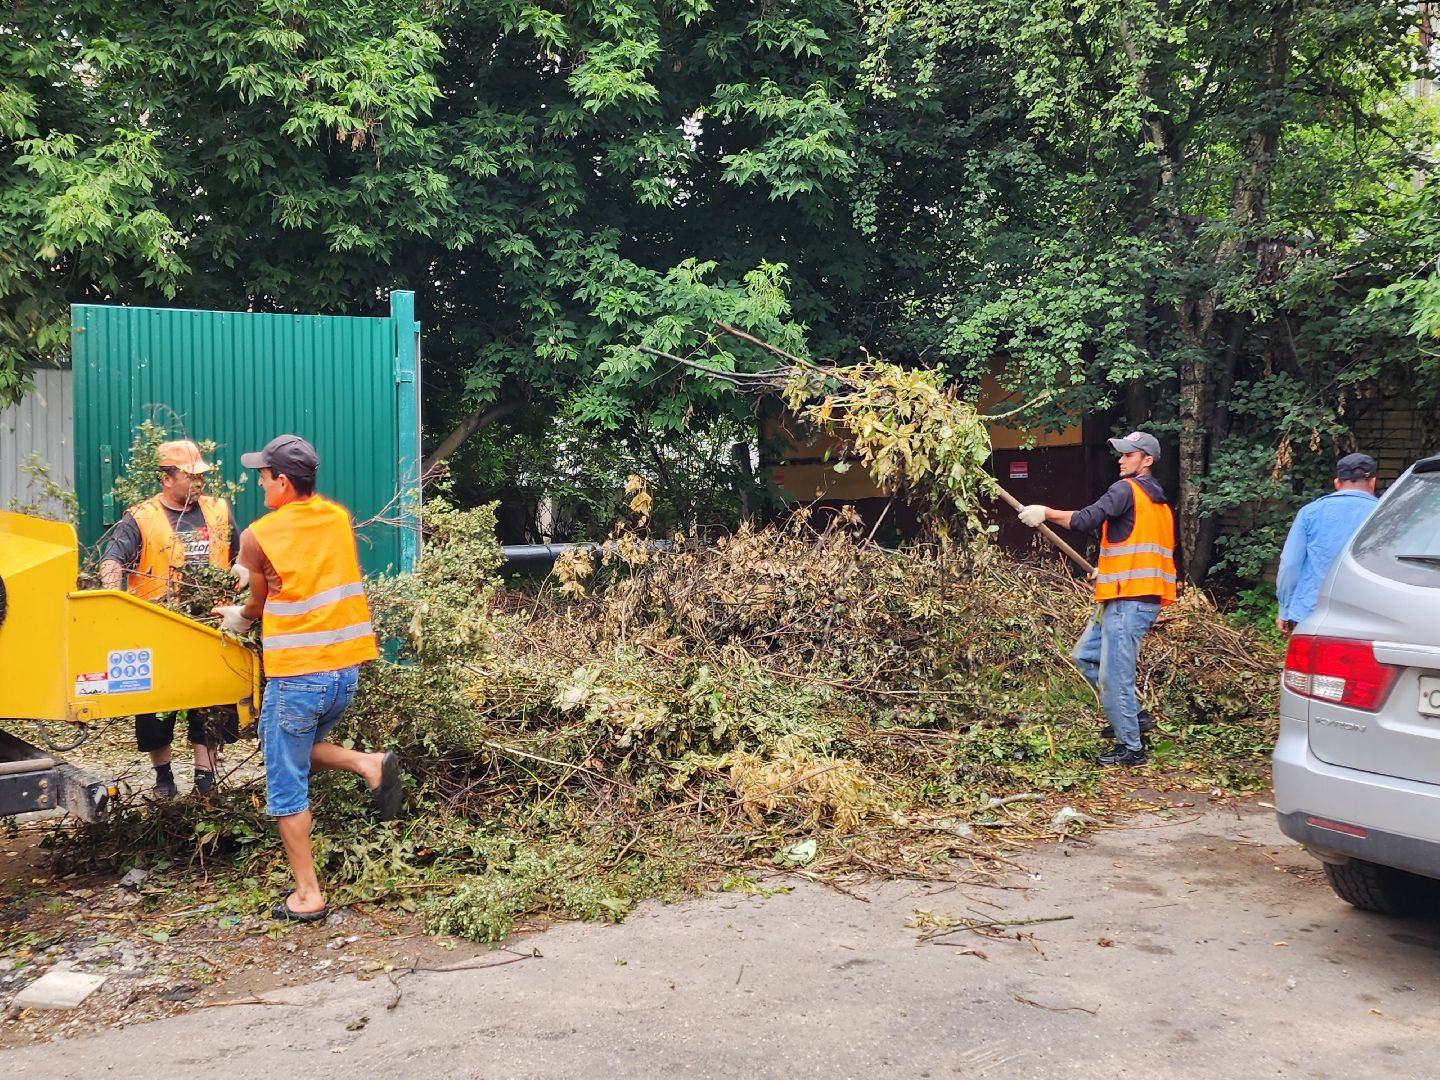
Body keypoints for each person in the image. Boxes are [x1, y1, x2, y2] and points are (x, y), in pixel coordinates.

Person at [214, 434, 402, 923]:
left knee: (284, 783)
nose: (259, 484)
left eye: (263, 476)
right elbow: (304, 571)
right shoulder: (336, 518)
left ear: (282, 480)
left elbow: (254, 606)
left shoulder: (259, 535)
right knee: (284, 748)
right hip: (345, 673)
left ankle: (308, 894)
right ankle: (369, 764)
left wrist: (238, 615)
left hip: (299, 676)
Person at [1017, 431, 1177, 767]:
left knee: (1115, 676)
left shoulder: (1128, 490)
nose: (1121, 460)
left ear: (1146, 460)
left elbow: (1085, 519)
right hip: (1126, 595)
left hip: (1129, 601)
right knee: (1086, 656)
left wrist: (1045, 511)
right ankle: (1134, 716)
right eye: (1121, 454)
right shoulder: (1157, 501)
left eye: (1129, 455)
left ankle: (1132, 750)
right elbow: (1135, 548)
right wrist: (1105, 569)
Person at [99, 439, 243, 798]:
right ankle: (163, 778)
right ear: (167, 477)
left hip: (211, 627)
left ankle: (205, 779)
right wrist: (111, 597)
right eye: (190, 476)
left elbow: (241, 557)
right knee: (155, 709)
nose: (199, 483)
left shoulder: (218, 511)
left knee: (211, 703)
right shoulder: (141, 517)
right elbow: (112, 560)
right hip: (159, 630)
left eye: (201, 476)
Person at [1275, 452, 1379, 634]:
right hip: (1369, 617)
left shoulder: (1310, 513)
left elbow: (1290, 564)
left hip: (1311, 614)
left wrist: (1285, 609)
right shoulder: (1385, 514)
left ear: (1337, 483)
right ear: (1372, 482)